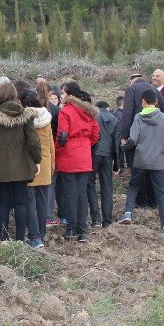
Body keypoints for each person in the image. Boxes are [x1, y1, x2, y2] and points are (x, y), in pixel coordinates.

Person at [0, 82, 42, 243]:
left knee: (3, 203)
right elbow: (33, 140)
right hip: (22, 164)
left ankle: (4, 238)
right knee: (20, 202)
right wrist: (37, 160)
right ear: (14, 95)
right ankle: (19, 239)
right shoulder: (25, 114)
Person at [118, 89, 164, 236]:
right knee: (162, 194)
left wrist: (122, 148)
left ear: (143, 102)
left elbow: (132, 139)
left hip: (140, 160)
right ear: (156, 102)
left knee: (133, 187)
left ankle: (127, 214)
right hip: (158, 161)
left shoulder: (138, 117)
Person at [56, 82, 100, 242]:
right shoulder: (88, 111)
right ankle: (83, 230)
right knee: (82, 194)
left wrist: (57, 154)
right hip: (84, 154)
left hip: (69, 154)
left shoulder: (65, 111)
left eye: (62, 93)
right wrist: (85, 144)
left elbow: (62, 136)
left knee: (70, 194)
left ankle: (71, 229)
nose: (61, 96)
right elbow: (96, 134)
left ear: (69, 95)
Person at [20, 92, 53, 247]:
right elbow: (51, 144)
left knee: (29, 202)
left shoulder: (24, 118)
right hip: (45, 162)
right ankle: (42, 233)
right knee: (42, 202)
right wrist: (52, 164)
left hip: (30, 163)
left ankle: (34, 236)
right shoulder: (47, 118)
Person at [88, 100, 119, 229]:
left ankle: (96, 219)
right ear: (108, 107)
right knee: (107, 187)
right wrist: (117, 164)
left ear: (97, 107)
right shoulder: (115, 119)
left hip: (94, 153)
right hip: (107, 155)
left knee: (90, 184)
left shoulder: (94, 116)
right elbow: (117, 143)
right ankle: (107, 221)